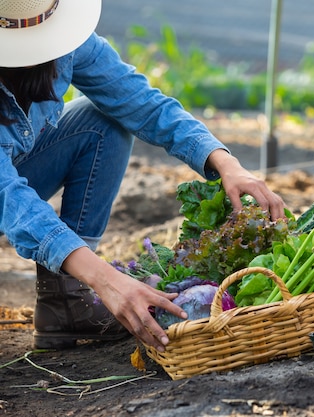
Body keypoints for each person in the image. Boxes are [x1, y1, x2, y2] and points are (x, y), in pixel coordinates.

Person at [0, 0, 286, 353]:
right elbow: (9, 198)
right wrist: (106, 279)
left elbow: (140, 101)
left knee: (102, 122)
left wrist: (224, 161)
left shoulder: (67, 42)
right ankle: (78, 283)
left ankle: (65, 300)